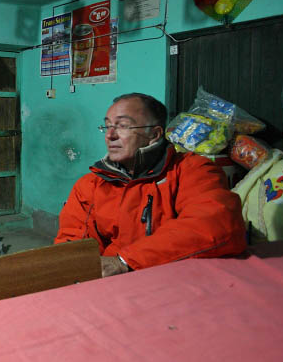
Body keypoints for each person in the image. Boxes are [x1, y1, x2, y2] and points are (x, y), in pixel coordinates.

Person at [55, 93, 246, 277]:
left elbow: (213, 226)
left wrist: (124, 261)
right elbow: (73, 243)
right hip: (113, 284)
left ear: (154, 134)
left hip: (176, 278)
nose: (110, 135)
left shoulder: (194, 171)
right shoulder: (91, 184)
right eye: (107, 127)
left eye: (122, 126)